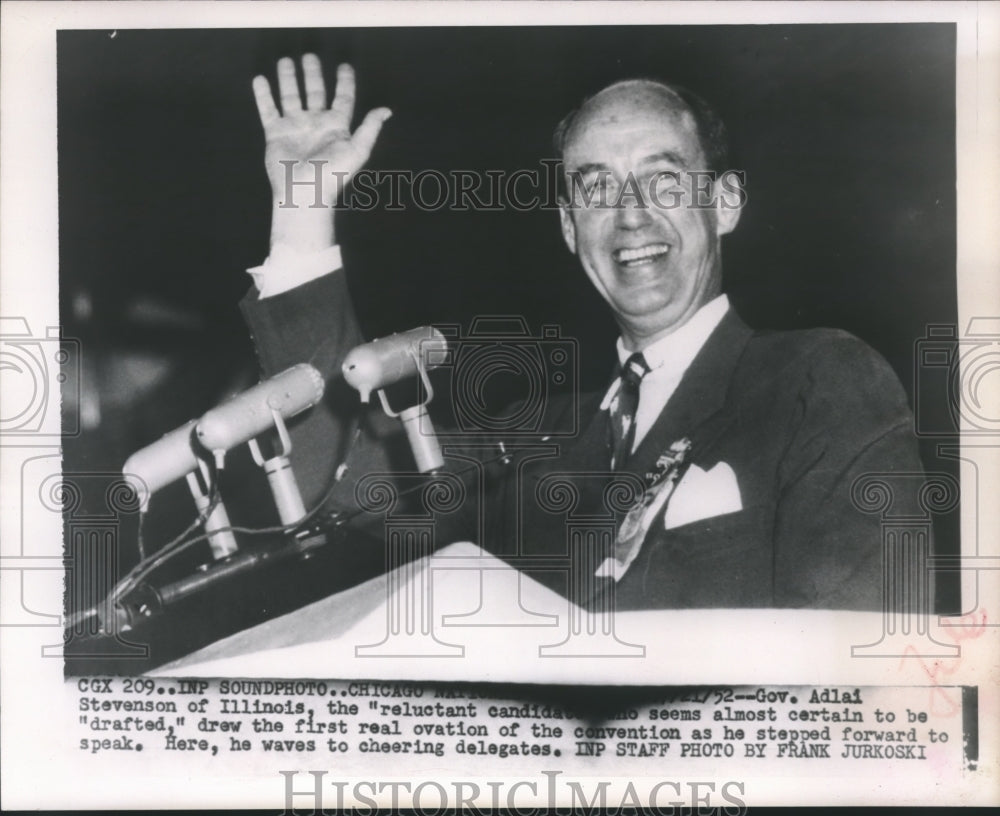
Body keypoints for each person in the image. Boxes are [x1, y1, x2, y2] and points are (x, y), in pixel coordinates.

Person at [239, 54, 926, 610]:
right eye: (596, 190)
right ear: (571, 230)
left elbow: (859, 659)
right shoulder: (531, 441)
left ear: (725, 204)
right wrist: (304, 212)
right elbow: (340, 489)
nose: (629, 216)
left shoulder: (817, 381)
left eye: (662, 182)